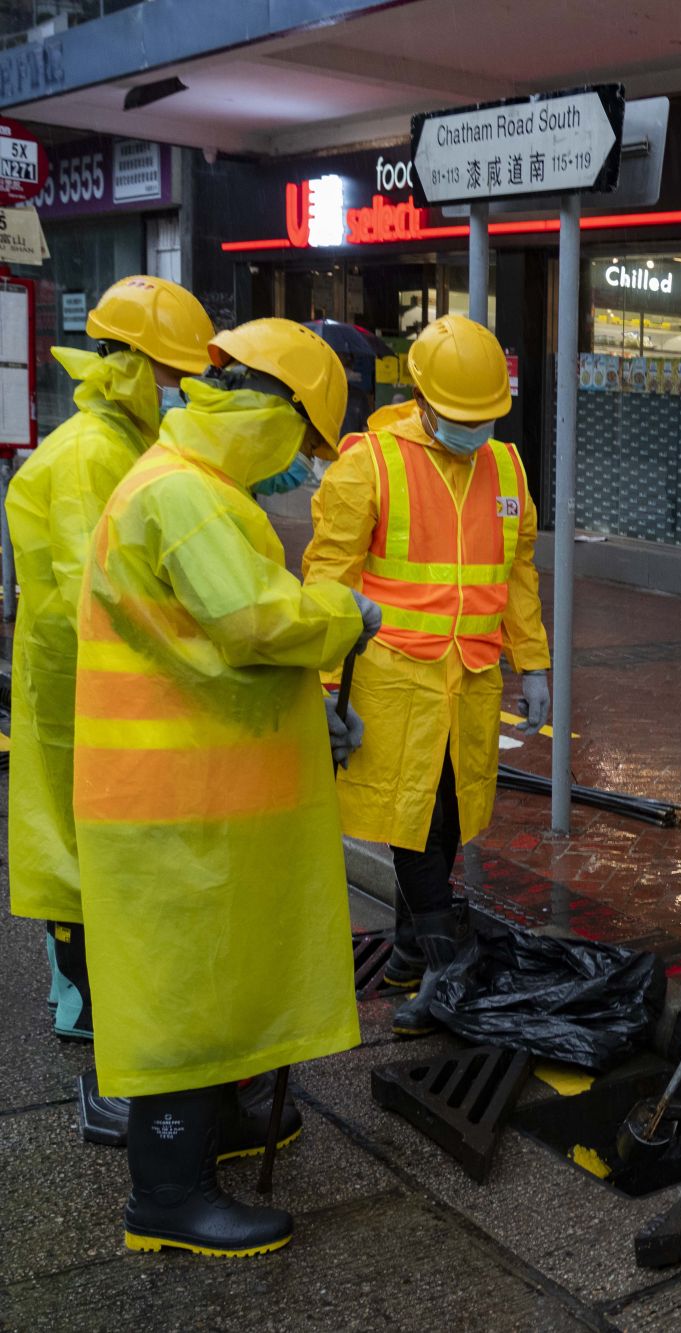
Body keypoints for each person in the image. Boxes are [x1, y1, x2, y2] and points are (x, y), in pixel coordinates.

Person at [74, 318, 377, 1257]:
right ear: (272, 414)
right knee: (182, 992)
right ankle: (168, 1194)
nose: (302, 466)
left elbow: (207, 650)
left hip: (195, 791)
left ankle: (220, 1126)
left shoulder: (192, 483)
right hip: (170, 804)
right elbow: (253, 620)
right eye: (307, 443)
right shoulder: (185, 494)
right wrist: (343, 615)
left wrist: (306, 711)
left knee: (215, 971)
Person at [303, 313, 550, 1036]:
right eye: (461, 416)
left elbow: (518, 574)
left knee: (447, 812)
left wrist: (533, 661)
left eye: (484, 416)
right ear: (421, 398)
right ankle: (444, 959)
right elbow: (328, 581)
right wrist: (324, 685)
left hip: (470, 679)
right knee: (412, 822)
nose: (474, 429)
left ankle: (413, 947)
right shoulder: (370, 464)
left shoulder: (506, 468)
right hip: (394, 679)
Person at [8, 276, 212, 1043]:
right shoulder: (92, 451)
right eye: (174, 373)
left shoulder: (123, 439)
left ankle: (91, 989)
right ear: (130, 365)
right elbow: (98, 591)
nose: (185, 388)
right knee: (77, 844)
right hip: (81, 685)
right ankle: (83, 1001)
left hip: (99, 680)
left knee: (97, 837)